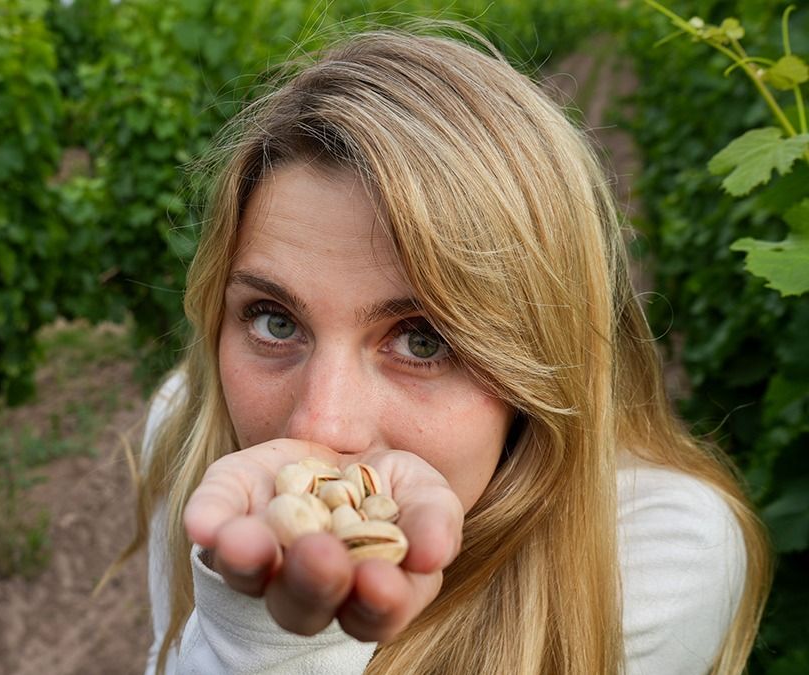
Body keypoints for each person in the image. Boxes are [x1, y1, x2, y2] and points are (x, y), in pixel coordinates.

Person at [127, 27, 771, 674]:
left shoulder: (664, 551)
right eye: (274, 321)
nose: (319, 425)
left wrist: (275, 649)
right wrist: (250, 613)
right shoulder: (187, 429)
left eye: (422, 339)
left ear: (542, 363)